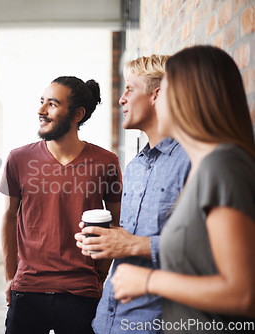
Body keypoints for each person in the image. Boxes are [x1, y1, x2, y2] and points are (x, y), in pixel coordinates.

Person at [112, 45, 255, 332]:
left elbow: (243, 295)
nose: (156, 97)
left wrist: (147, 281)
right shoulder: (211, 166)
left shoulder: (222, 166)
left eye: (164, 90)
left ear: (189, 97)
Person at [74, 55, 190, 333]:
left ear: (157, 95)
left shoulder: (193, 160)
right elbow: (131, 234)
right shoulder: (135, 166)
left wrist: (133, 245)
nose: (121, 99)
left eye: (130, 89)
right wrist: (107, 240)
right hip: (108, 319)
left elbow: (211, 246)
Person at [0, 76, 122, 334]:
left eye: (52, 104)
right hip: (28, 290)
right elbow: (9, 217)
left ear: (78, 114)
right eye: (42, 102)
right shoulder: (18, 159)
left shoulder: (106, 162)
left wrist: (99, 276)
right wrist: (11, 277)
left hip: (81, 293)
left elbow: (113, 223)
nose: (41, 110)